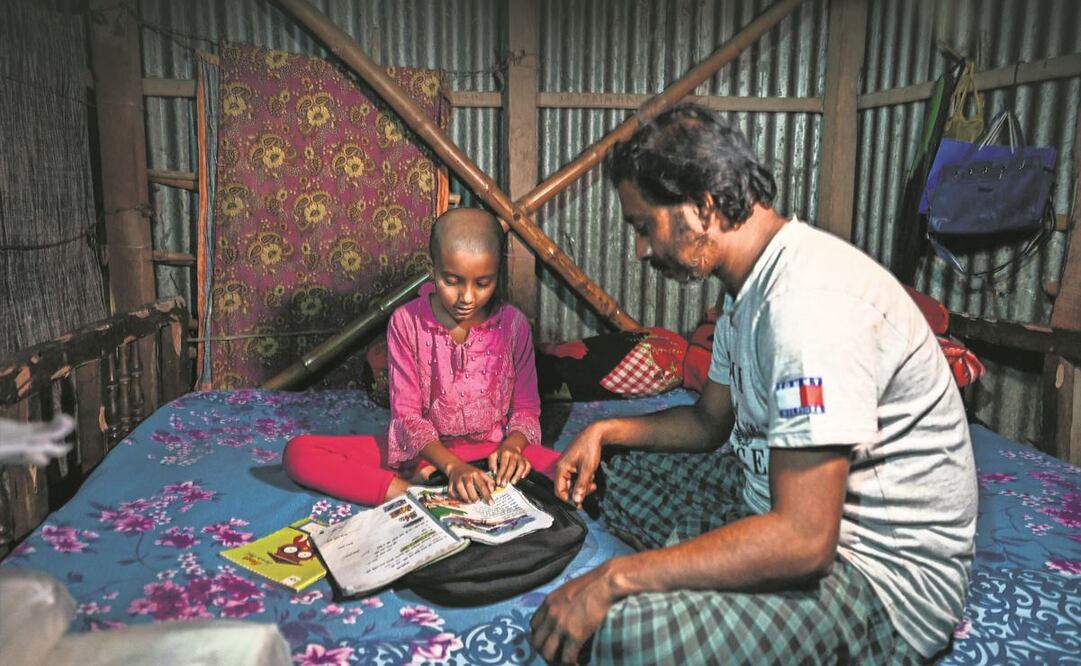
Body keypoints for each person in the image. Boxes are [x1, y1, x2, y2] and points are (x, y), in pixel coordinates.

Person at [529, 104, 977, 665]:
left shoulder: (805, 304)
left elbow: (805, 541)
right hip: (776, 504)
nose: (641, 250)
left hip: (874, 579)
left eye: (644, 226)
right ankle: (708, 564)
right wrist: (605, 431)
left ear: (704, 206)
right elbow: (708, 421)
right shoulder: (747, 291)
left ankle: (691, 580)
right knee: (615, 465)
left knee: (623, 635)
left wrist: (620, 578)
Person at [283, 208, 559, 505]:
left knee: (572, 469)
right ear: (433, 269)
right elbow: (408, 418)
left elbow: (527, 411)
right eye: (452, 281)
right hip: (422, 453)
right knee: (298, 453)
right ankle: (410, 494)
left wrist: (513, 449)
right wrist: (451, 467)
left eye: (482, 283)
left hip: (491, 453)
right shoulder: (406, 322)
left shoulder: (514, 325)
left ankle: (439, 486)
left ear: (497, 273)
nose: (467, 297)